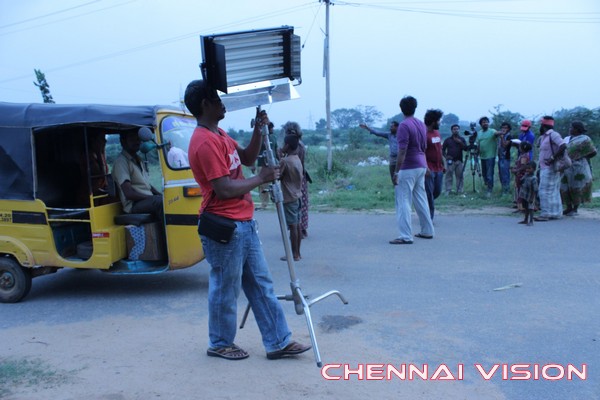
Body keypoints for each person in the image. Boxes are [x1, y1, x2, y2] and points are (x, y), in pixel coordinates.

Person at [184, 79, 310, 361]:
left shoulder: (220, 134)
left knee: (261, 284)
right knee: (225, 288)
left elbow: (249, 157)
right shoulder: (204, 142)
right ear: (205, 104)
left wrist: (257, 130)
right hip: (225, 225)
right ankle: (219, 342)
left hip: (242, 223)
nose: (222, 102)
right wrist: (261, 178)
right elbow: (225, 189)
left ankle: (278, 341)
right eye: (217, 98)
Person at [389, 96, 434, 244]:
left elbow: (402, 151)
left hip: (408, 167)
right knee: (421, 199)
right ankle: (427, 231)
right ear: (415, 108)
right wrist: (426, 165)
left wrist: (396, 172)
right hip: (421, 165)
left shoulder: (404, 125)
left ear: (401, 108)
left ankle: (405, 236)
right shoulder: (421, 124)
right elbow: (424, 147)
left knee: (403, 201)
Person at [112, 130, 164, 221]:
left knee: (170, 200)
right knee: (160, 202)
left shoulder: (138, 159)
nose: (137, 141)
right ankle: (168, 234)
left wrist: (161, 195)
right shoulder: (121, 162)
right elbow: (129, 194)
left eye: (138, 138)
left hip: (145, 200)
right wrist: (152, 197)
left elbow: (147, 185)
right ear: (123, 141)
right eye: (132, 138)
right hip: (134, 204)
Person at [560, 121, 597, 216]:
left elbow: (593, 152)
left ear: (577, 129)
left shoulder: (585, 139)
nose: (570, 129)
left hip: (579, 167)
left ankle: (575, 208)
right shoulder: (567, 139)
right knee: (564, 186)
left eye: (571, 127)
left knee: (577, 186)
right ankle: (568, 207)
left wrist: (581, 156)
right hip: (566, 166)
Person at [282, 122, 310, 238]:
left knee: (292, 206)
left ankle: (295, 230)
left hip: (291, 179)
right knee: (301, 205)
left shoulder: (292, 145)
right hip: (300, 177)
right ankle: (301, 229)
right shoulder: (301, 145)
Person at [535, 116, 566, 221]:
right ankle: (556, 213)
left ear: (544, 126)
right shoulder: (545, 136)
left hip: (550, 167)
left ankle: (545, 214)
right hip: (545, 167)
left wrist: (552, 158)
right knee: (553, 190)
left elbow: (563, 145)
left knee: (544, 191)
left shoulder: (553, 134)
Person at [279, 133, 303, 261]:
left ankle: (294, 254)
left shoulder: (285, 161)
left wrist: (279, 155)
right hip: (298, 195)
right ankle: (297, 252)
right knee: (297, 225)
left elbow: (277, 175)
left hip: (289, 197)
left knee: (293, 226)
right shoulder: (296, 158)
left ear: (287, 145)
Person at [423, 109, 444, 219]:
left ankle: (423, 205)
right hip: (429, 168)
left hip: (439, 168)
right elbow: (421, 153)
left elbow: (439, 150)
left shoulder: (437, 133)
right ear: (433, 122)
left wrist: (443, 164)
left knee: (437, 191)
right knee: (429, 194)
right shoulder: (424, 135)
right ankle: (429, 218)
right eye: (438, 121)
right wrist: (425, 167)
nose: (440, 123)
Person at [78, 132, 109, 205]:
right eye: (101, 139)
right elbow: (101, 174)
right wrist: (99, 152)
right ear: (93, 140)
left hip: (100, 191)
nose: (105, 141)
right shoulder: (87, 156)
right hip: (90, 194)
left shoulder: (100, 155)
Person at [255, 119, 278, 210]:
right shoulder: (274, 138)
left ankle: (264, 203)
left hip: (262, 164)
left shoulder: (261, 138)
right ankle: (276, 201)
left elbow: (255, 151)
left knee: (262, 184)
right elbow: (276, 151)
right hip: (274, 163)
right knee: (274, 183)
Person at [475, 116, 499, 198]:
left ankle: (489, 190)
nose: (485, 123)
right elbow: (478, 144)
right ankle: (487, 186)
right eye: (483, 122)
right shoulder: (479, 133)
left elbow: (497, 134)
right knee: (484, 174)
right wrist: (476, 153)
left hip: (490, 156)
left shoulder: (492, 131)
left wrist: (501, 132)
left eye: (486, 122)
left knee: (489, 174)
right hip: (482, 157)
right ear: (481, 124)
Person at [442, 124, 467, 195]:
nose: (456, 130)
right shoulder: (447, 140)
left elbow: (465, 149)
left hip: (459, 160)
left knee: (460, 176)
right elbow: (443, 150)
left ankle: (460, 190)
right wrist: (446, 157)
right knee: (449, 176)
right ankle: (448, 190)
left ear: (459, 130)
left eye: (457, 129)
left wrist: (460, 142)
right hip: (450, 161)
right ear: (451, 130)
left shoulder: (462, 139)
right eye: (454, 129)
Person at [512, 141, 533, 211]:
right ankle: (520, 205)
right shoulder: (524, 155)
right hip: (520, 174)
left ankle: (520, 206)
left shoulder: (524, 156)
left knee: (520, 190)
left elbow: (523, 166)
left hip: (521, 175)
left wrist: (517, 170)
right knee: (519, 190)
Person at [518, 161, 538, 226]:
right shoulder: (526, 175)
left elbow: (535, 189)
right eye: (527, 168)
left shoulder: (534, 178)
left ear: (534, 169)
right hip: (525, 195)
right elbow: (521, 181)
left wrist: (532, 197)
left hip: (530, 195)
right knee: (526, 207)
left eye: (529, 168)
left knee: (531, 208)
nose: (527, 170)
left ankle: (531, 221)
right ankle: (526, 219)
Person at [497, 122, 513, 195]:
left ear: (508, 129)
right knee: (501, 174)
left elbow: (504, 145)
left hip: (505, 158)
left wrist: (502, 137)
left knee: (505, 175)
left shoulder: (509, 136)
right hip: (500, 157)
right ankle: (503, 189)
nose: (503, 129)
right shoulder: (501, 135)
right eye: (502, 127)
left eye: (505, 128)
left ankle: (506, 191)